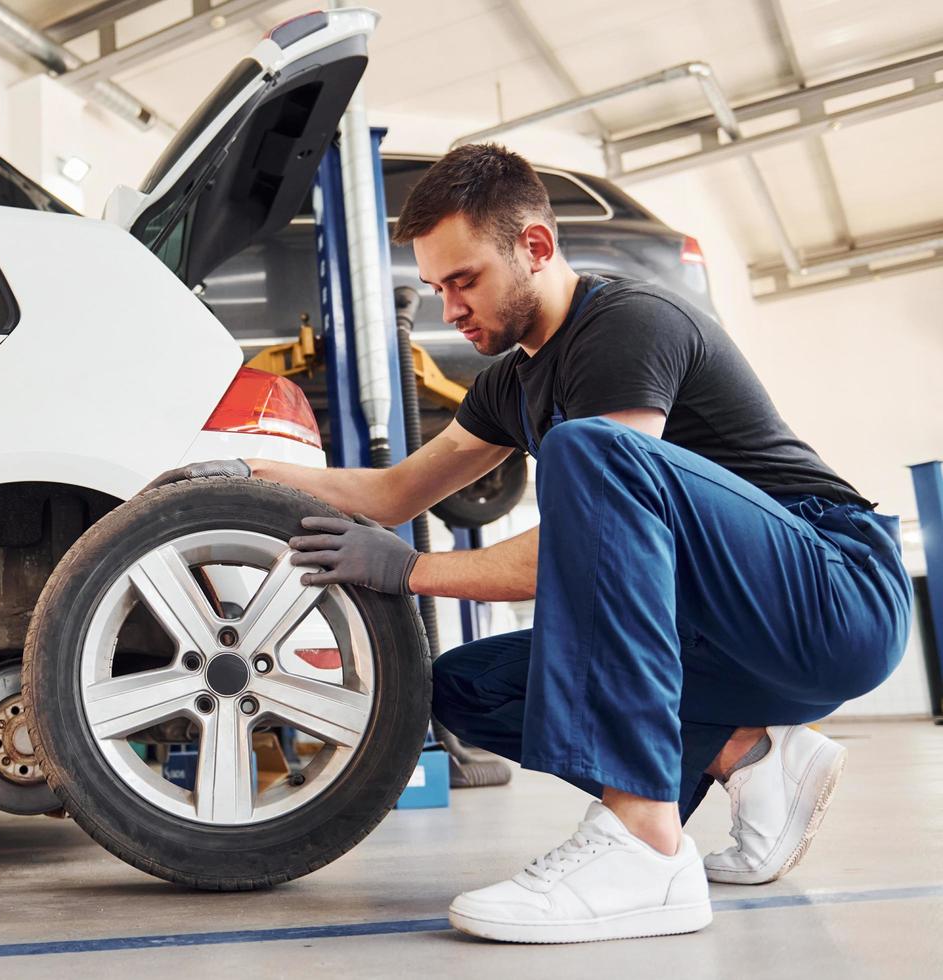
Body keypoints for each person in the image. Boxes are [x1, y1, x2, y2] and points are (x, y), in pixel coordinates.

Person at [147, 143, 910, 944]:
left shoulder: (627, 324)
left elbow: (587, 545)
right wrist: (236, 471)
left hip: (834, 594)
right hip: (724, 640)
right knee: (459, 686)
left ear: (536, 247)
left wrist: (412, 570)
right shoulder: (510, 384)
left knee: (588, 452)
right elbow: (391, 491)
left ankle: (643, 848)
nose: (449, 309)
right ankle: (746, 753)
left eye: (464, 280)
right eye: (438, 287)